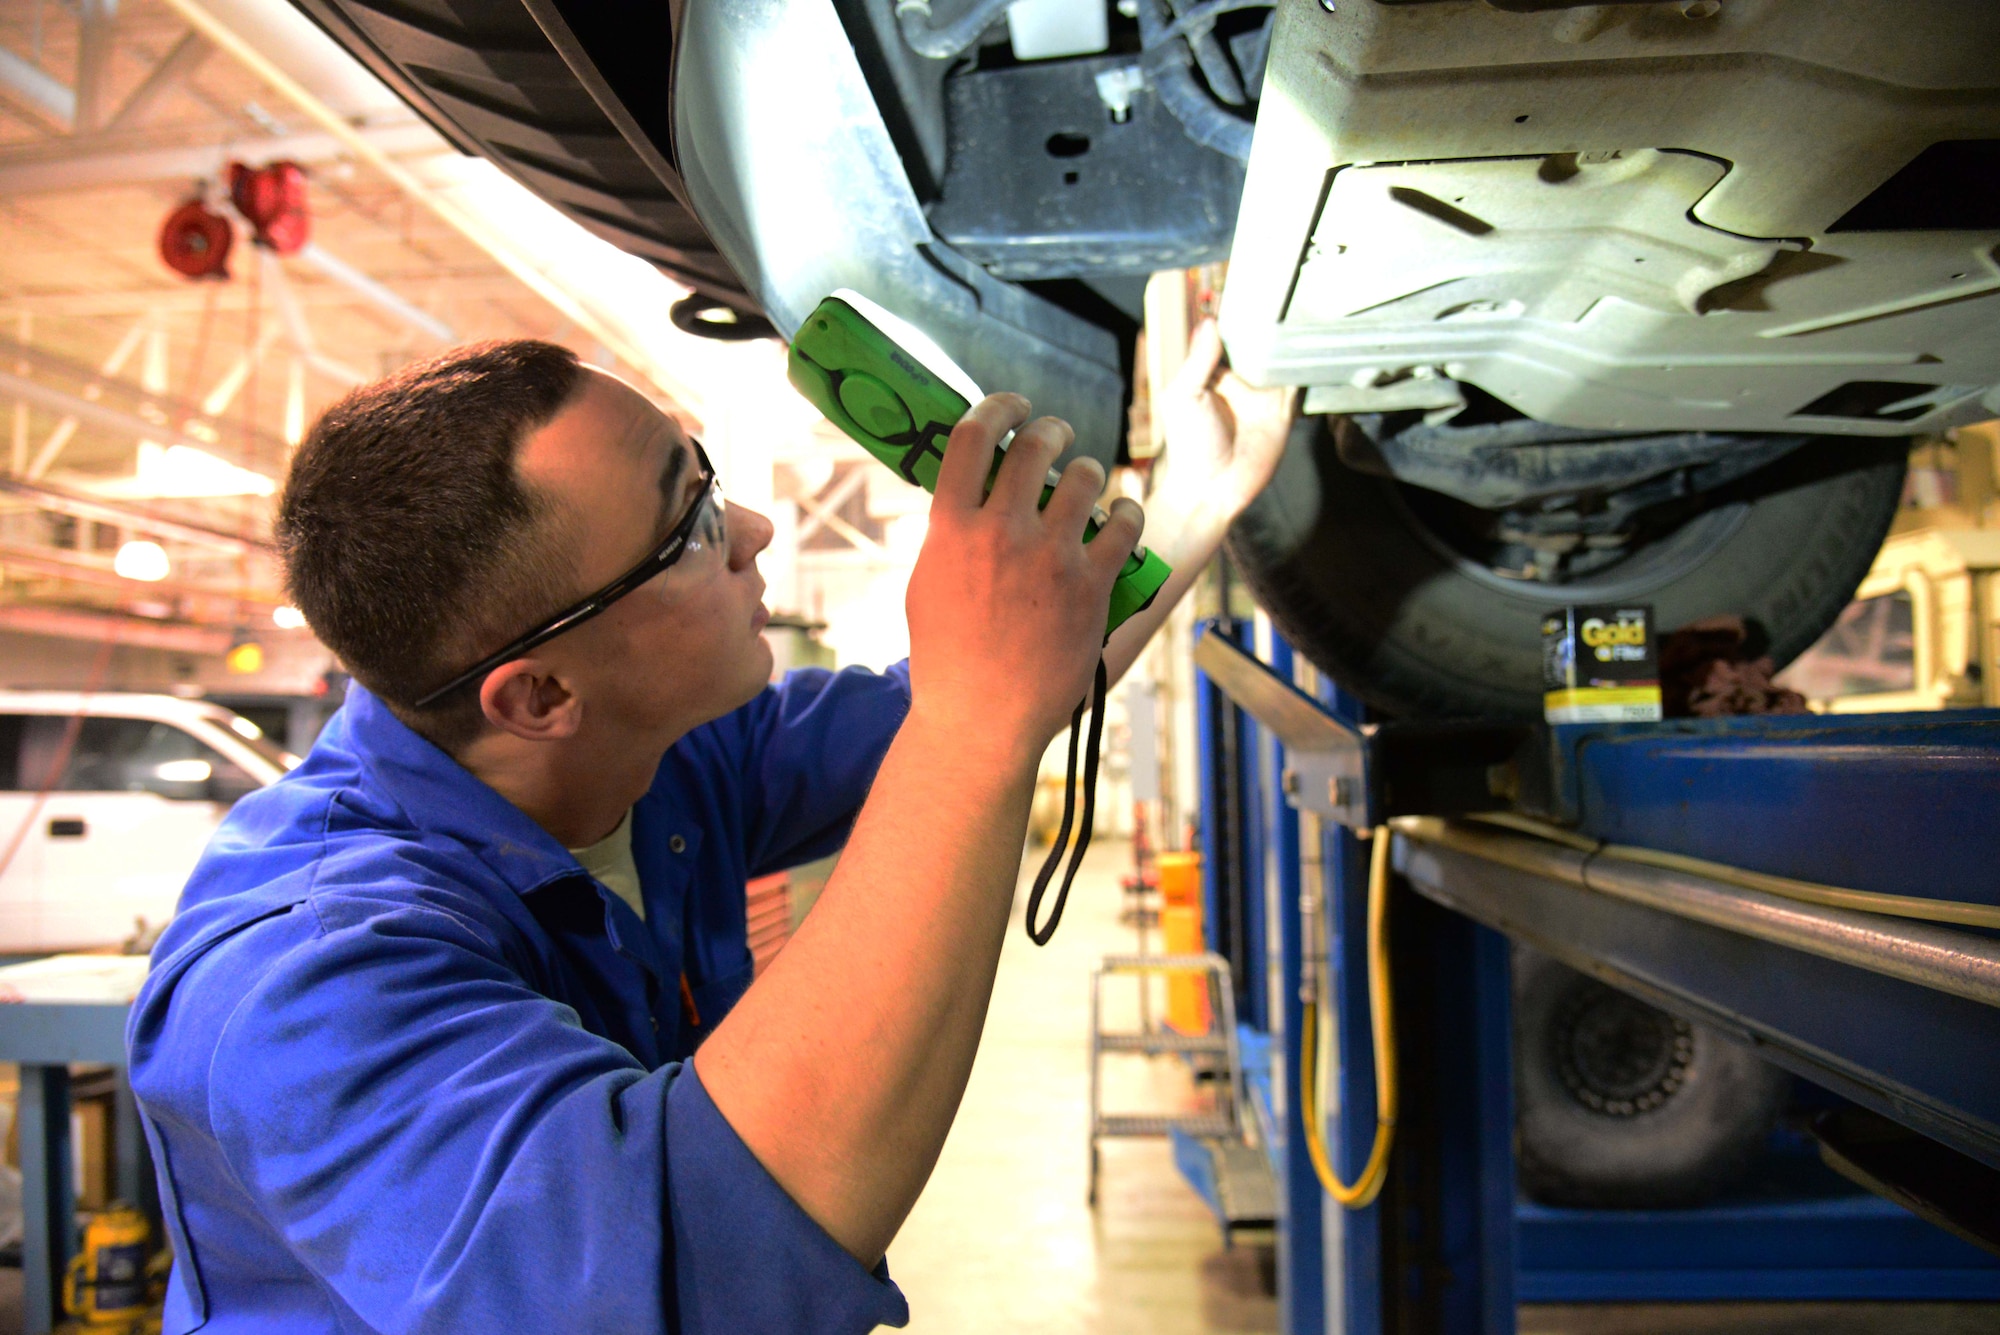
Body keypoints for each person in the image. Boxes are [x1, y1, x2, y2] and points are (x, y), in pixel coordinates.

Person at [126, 322, 1290, 1333]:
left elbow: (992, 680)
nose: (751, 532)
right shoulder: (305, 988)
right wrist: (975, 734)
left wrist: (1192, 501)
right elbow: (692, 1275)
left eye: (707, 478)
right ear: (537, 696)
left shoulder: (662, 760)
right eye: (685, 527)